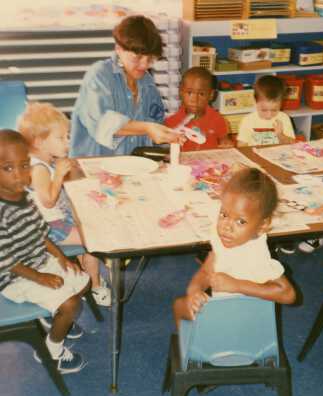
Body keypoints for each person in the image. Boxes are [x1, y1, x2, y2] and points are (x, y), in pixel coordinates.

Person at [0, 129, 89, 373]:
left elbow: (41, 232)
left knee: (84, 282)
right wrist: (41, 277)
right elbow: (6, 261)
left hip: (39, 260)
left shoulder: (24, 197)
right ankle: (53, 350)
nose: (19, 175)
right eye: (8, 168)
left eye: (24, 165)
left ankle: (55, 317)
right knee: (71, 303)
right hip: (15, 277)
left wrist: (60, 257)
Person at [173, 168, 296, 326]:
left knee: (179, 305)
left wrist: (236, 285)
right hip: (224, 310)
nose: (226, 227)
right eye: (224, 214)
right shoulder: (223, 240)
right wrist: (195, 290)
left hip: (248, 322)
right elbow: (206, 271)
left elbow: (288, 294)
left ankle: (190, 349)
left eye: (241, 222)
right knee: (186, 301)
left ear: (263, 225)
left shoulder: (255, 254)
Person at [18, 102, 111, 307]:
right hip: (49, 227)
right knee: (92, 238)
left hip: (57, 218)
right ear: (40, 142)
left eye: (67, 136)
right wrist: (59, 175)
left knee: (91, 215)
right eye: (61, 138)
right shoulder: (38, 169)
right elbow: (48, 201)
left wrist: (66, 169)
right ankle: (95, 285)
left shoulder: (45, 160)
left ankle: (85, 267)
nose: (67, 142)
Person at [69, 15, 182, 157]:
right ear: (119, 49)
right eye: (138, 57)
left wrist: (167, 134)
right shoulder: (99, 75)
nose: (145, 65)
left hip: (131, 166)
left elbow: (155, 123)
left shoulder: (147, 83)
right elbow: (102, 123)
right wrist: (147, 128)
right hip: (93, 164)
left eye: (150, 58)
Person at [165, 66, 232, 151]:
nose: (195, 100)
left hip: (210, 162)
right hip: (183, 163)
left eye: (201, 94)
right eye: (189, 93)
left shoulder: (218, 119)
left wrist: (226, 143)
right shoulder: (172, 121)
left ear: (211, 95)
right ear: (181, 92)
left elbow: (224, 139)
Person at [237, 75, 296, 146]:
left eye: (274, 110)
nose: (269, 115)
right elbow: (241, 145)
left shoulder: (284, 118)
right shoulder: (248, 120)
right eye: (264, 110)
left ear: (282, 103)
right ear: (255, 101)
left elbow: (292, 143)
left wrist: (280, 135)